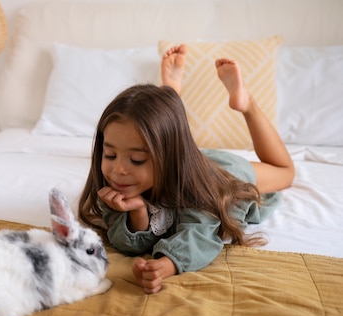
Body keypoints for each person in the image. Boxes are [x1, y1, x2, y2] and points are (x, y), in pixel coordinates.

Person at [78, 44, 295, 294]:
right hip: (179, 157)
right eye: (110, 154)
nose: (118, 170)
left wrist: (166, 264)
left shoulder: (201, 191)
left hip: (221, 174)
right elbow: (125, 241)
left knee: (285, 171)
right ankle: (169, 93)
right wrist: (137, 212)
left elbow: (200, 235)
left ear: (167, 157)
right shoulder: (118, 184)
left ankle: (246, 103)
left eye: (136, 160)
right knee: (160, 131)